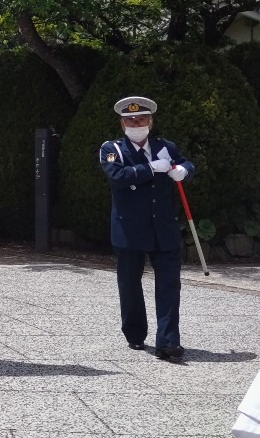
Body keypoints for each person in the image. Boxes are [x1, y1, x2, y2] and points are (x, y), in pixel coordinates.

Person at [100, 96, 195, 361]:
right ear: (122, 124)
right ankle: (135, 333)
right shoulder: (112, 149)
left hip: (163, 227)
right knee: (130, 284)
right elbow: (117, 176)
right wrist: (150, 168)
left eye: (141, 119)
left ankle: (168, 342)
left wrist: (184, 171)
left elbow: (186, 163)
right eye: (130, 120)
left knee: (169, 285)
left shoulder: (166, 147)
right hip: (129, 229)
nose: (136, 123)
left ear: (150, 122)